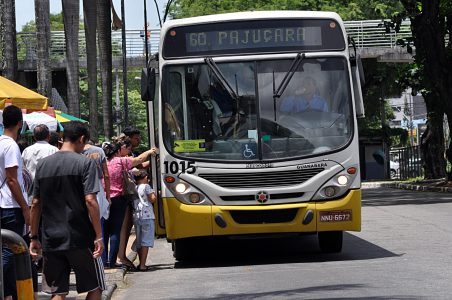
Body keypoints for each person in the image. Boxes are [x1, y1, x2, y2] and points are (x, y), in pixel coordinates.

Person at [29, 121, 105, 299]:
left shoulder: (43, 165)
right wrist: (99, 236)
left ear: (62, 138)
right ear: (81, 139)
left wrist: (33, 237)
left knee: (59, 291)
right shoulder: (85, 164)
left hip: (51, 237)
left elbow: (35, 202)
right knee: (96, 286)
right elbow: (91, 200)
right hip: (79, 236)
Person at [101, 139, 157, 269]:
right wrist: (149, 151)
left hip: (103, 199)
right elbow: (138, 160)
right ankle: (112, 260)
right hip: (119, 199)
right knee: (115, 231)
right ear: (117, 151)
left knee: (103, 230)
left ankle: (103, 261)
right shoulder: (121, 161)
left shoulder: (101, 163)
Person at [0, 105, 31, 300]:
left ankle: (10, 293)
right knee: (12, 251)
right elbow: (12, 179)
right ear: (20, 123)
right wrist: (25, 207)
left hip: (3, 205)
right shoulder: (11, 146)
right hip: (11, 206)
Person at [132, 170, 156, 271]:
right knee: (146, 241)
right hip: (147, 216)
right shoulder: (146, 186)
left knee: (139, 239)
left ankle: (140, 262)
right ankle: (142, 265)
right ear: (145, 177)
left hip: (137, 216)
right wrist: (154, 193)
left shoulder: (134, 187)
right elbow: (152, 199)